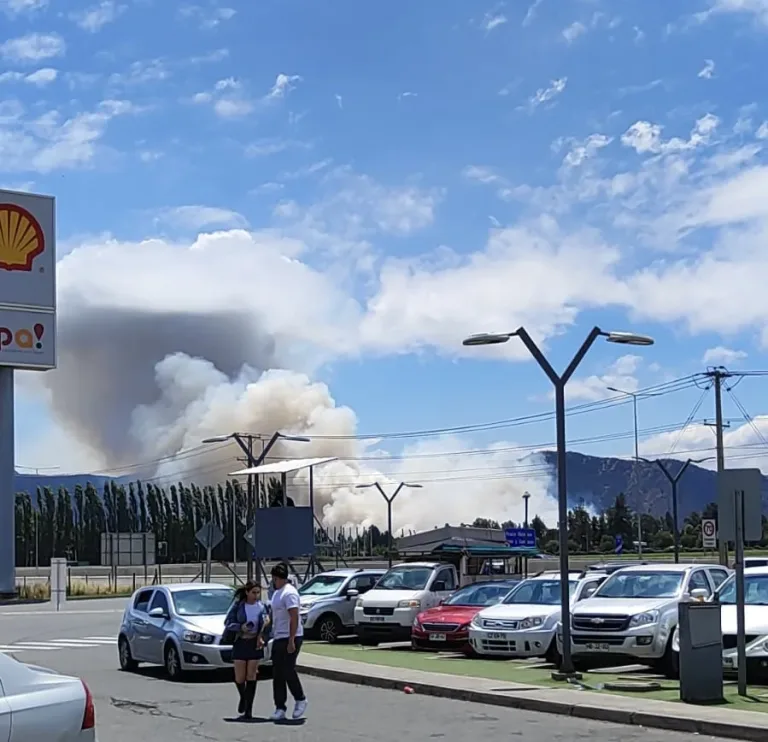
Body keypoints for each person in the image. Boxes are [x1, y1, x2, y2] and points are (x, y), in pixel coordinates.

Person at [224, 581, 269, 720]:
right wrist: (241, 627)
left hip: (254, 643)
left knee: (251, 675)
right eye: (253, 592)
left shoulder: (262, 607)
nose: (256, 595)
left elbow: (267, 626)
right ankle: (243, 697)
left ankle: (248, 709)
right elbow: (228, 623)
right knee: (239, 677)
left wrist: (262, 636)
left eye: (258, 592)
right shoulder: (238, 606)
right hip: (240, 642)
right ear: (247, 592)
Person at [269, 562, 307, 721]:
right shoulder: (277, 593)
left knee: (288, 669)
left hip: (292, 636)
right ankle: (280, 707)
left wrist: (291, 640)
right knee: (278, 673)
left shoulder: (290, 593)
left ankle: (300, 699)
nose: (273, 581)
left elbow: (294, 617)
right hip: (279, 636)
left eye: (274, 578)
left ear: (279, 578)